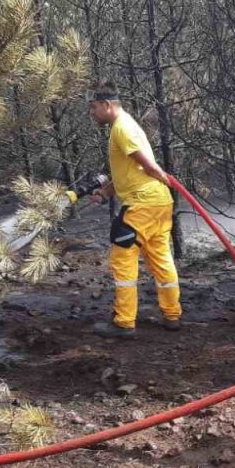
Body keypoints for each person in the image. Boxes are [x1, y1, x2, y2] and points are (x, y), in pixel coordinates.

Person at [83, 83, 181, 337]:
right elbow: (133, 169)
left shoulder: (122, 128)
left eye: (93, 108)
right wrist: (106, 192)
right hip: (158, 203)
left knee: (122, 258)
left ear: (107, 105)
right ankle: (172, 315)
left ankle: (124, 322)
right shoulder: (126, 125)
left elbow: (147, 165)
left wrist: (162, 175)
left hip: (143, 204)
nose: (91, 114)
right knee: (160, 258)